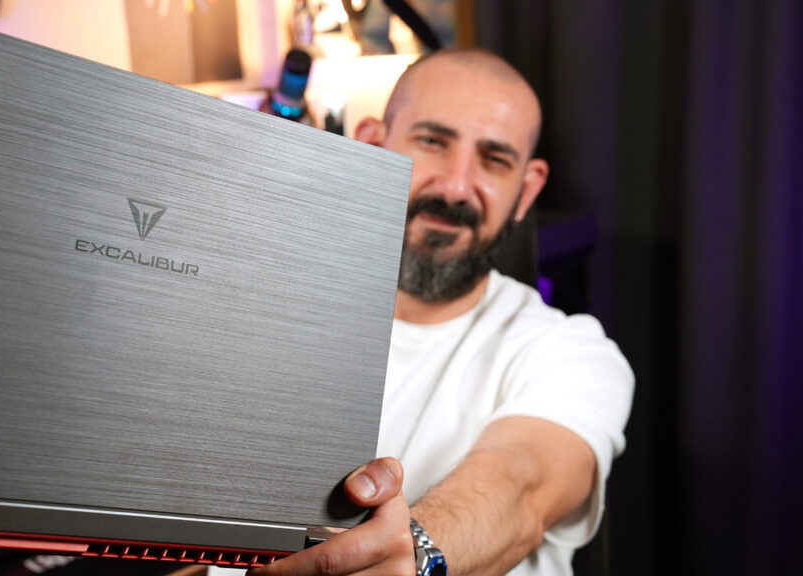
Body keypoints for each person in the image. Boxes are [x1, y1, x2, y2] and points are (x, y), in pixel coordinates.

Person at [249, 48, 634, 576]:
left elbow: (522, 489)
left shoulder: (571, 353)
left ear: (526, 191)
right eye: (432, 141)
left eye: (494, 160)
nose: (455, 187)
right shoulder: (264, 317)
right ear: (372, 146)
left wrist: (414, 550)